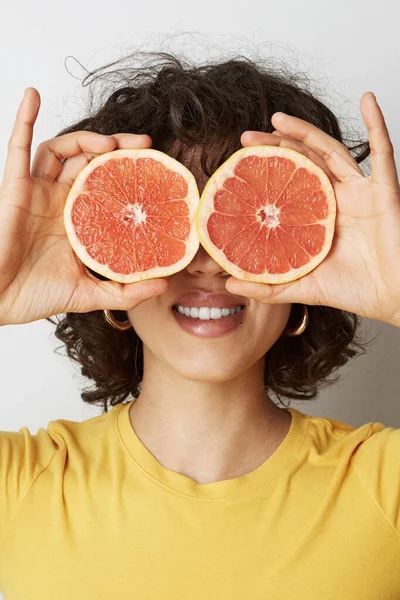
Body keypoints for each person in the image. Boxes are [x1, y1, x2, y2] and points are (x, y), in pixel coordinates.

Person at [0, 51, 399, 599]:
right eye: (174, 222)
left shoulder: (384, 484)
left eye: (236, 220)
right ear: (108, 258)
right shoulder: (19, 482)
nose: (206, 261)